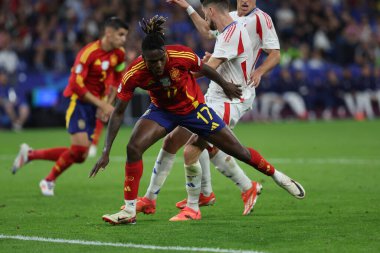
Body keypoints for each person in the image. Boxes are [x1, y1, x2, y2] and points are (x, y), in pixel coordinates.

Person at [90, 15, 303, 225]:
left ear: (165, 53)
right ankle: (130, 210)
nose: (156, 65)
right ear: (143, 59)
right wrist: (106, 150)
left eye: (160, 60)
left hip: (194, 110)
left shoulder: (181, 55)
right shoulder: (134, 73)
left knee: (239, 151)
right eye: (151, 62)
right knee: (134, 148)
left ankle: (277, 177)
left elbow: (204, 68)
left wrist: (226, 84)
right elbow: (118, 112)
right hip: (161, 111)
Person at [167, 0, 305, 221]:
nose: (244, 1)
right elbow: (207, 31)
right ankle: (215, 192)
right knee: (202, 143)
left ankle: (194, 207)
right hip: (216, 94)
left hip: (232, 99)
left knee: (194, 148)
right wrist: (187, 7)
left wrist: (171, 76)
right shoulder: (231, 19)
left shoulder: (254, 22)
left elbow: (273, 54)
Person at [11, 17, 129, 196]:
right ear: (109, 33)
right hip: (79, 103)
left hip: (96, 104)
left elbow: (117, 79)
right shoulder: (88, 53)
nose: (123, 39)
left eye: (125, 35)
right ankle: (48, 180)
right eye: (120, 35)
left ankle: (30, 155)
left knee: (80, 156)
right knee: (81, 149)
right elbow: (75, 85)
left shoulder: (119, 53)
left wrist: (108, 103)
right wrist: (102, 105)